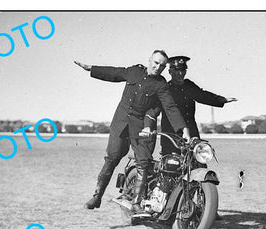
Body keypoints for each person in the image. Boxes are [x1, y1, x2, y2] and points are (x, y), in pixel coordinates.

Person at [74, 50, 190, 215]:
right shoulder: (134, 71)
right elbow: (114, 73)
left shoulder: (161, 85)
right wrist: (91, 68)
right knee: (112, 158)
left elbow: (170, 107)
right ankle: (97, 196)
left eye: (162, 65)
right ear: (149, 60)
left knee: (144, 161)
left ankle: (136, 203)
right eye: (156, 63)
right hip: (120, 123)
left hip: (141, 127)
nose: (158, 67)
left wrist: (183, 129)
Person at [141, 56, 237, 155]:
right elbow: (153, 111)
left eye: (183, 70)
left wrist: (222, 99)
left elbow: (202, 95)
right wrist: (147, 126)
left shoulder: (189, 86)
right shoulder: (165, 90)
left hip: (192, 135)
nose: (180, 74)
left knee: (199, 163)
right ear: (170, 72)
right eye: (177, 70)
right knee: (171, 166)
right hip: (171, 137)